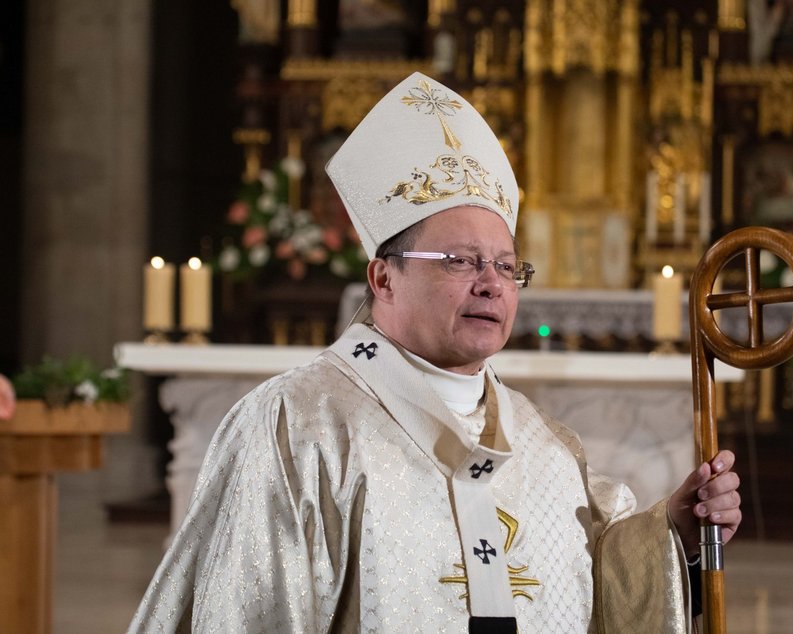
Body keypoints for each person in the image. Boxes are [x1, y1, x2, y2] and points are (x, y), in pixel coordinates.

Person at [129, 73, 740, 633]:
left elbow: (595, 574)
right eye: (459, 261)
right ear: (383, 278)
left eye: (505, 265)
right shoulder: (298, 424)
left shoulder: (544, 444)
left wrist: (673, 535)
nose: (491, 283)